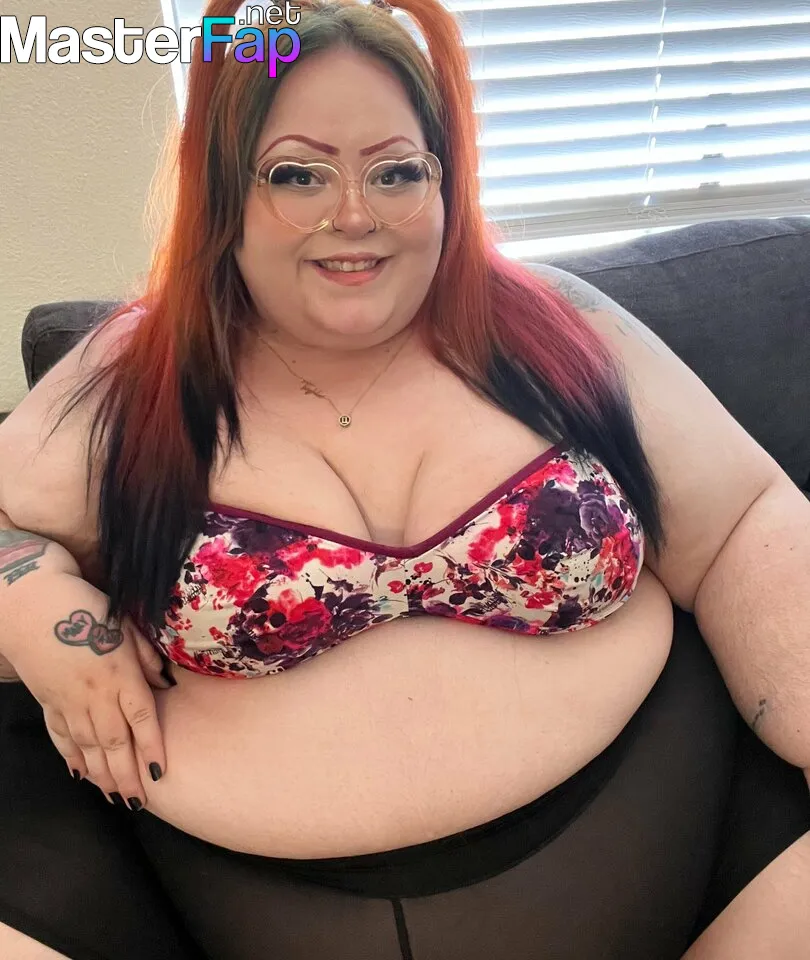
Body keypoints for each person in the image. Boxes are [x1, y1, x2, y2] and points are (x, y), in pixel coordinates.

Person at [0, 0, 808, 957]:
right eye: (297, 174)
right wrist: (35, 611)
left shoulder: (560, 327)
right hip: (223, 901)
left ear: (445, 179)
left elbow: (747, 523)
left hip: (684, 844)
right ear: (222, 189)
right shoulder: (132, 374)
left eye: (395, 172)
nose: (355, 215)